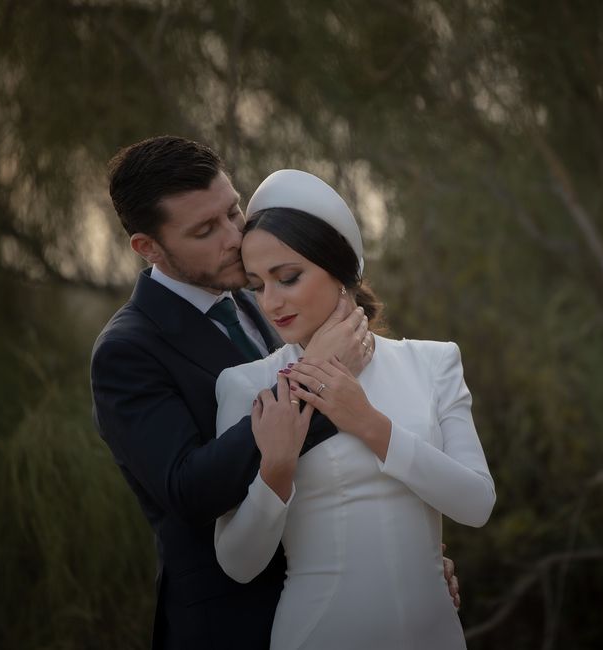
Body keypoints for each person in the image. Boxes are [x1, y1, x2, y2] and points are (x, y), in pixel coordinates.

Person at [90, 136, 438, 650]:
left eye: (234, 211)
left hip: (340, 605)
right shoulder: (126, 351)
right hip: (232, 624)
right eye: (206, 230)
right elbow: (189, 490)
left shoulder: (260, 299)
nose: (235, 237)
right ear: (148, 247)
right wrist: (319, 377)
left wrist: (415, 561)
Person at [213, 169, 495, 649]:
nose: (271, 302)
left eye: (288, 277)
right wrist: (277, 468)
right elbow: (238, 563)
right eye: (258, 285)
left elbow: (477, 503)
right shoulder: (249, 385)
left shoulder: (434, 362)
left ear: (341, 269)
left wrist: (367, 423)